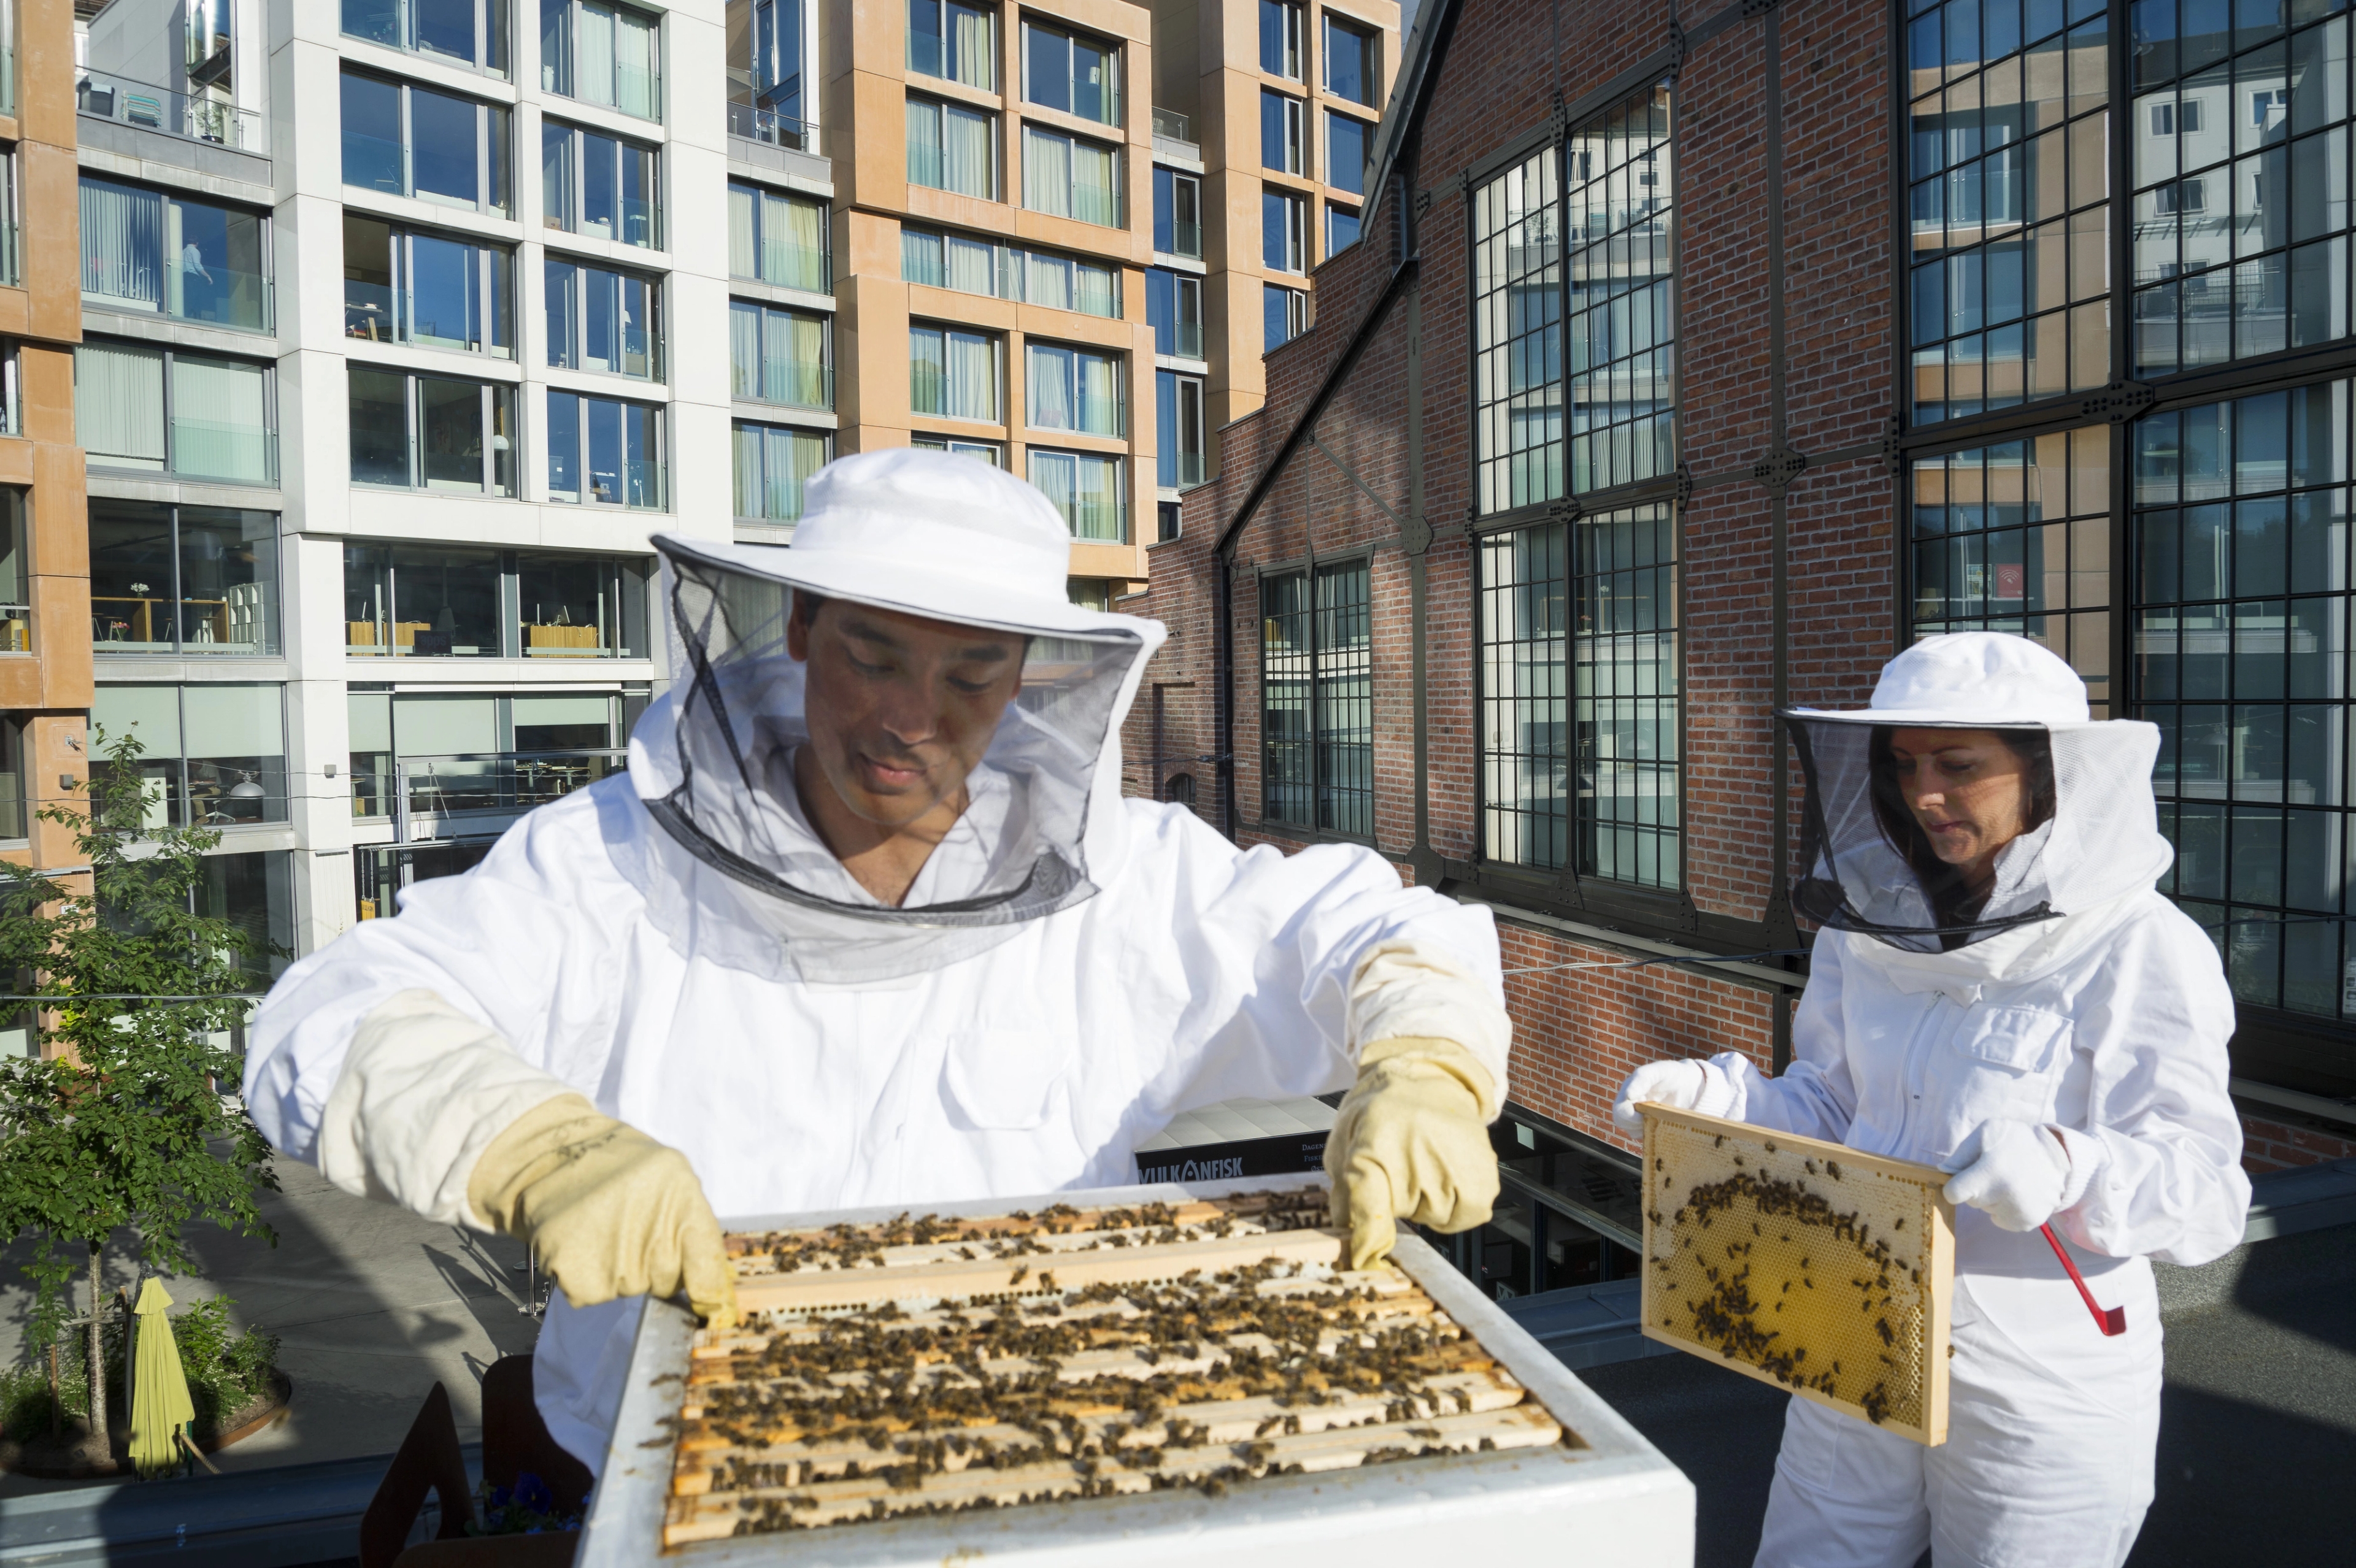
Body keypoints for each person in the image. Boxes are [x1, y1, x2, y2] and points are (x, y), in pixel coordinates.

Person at [244, 450, 1511, 1472]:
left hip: (1039, 1470)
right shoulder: (607, 865)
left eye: (972, 673)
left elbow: (1367, 925)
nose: (912, 719)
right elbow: (331, 1014)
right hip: (676, 1484)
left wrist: (1427, 1060)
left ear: (1029, 679)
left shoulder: (1127, 884)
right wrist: (528, 1145)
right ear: (799, 626)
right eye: (874, 655)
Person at [1613, 631, 2247, 1568]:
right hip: (1855, 1316)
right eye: (1904, 765)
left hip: (2040, 1373)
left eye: (1959, 765)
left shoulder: (2142, 945)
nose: (1925, 794)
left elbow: (2206, 1193)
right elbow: (1839, 1112)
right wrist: (1721, 1101)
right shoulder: (1867, 930)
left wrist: (2071, 1167)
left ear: (2045, 772)